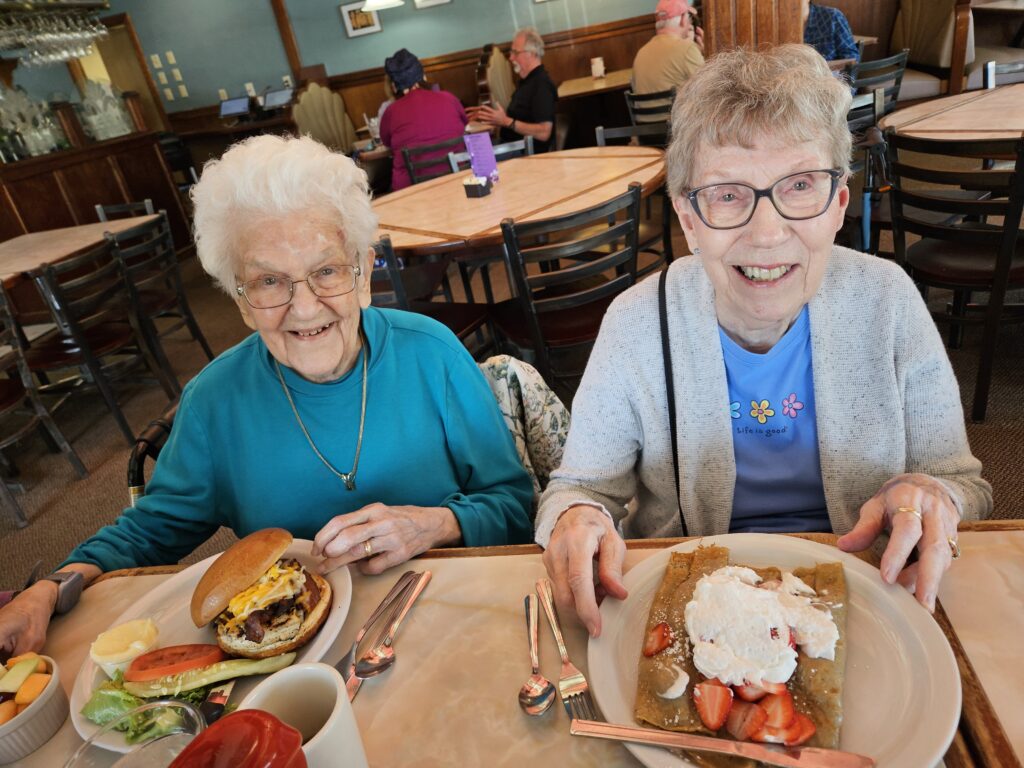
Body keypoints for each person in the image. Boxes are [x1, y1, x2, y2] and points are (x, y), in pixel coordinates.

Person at [0, 134, 534, 656]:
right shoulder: (214, 402)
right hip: (299, 654)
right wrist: (51, 587)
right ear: (240, 301)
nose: (304, 308)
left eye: (325, 271)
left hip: (451, 622)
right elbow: (149, 531)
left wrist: (435, 524)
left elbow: (512, 504)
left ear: (364, 273)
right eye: (269, 282)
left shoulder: (431, 354)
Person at [536, 45, 992, 637]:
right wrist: (577, 517)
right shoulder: (636, 322)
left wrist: (933, 495)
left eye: (800, 184)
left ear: (839, 203)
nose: (768, 233)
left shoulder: (887, 301)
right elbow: (578, 488)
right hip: (694, 610)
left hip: (873, 599)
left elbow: (964, 484)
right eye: (727, 194)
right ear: (688, 218)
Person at [378, 48, 467, 190]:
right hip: (460, 180)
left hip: (412, 192)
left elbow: (386, 143)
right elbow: (464, 124)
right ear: (423, 77)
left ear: (394, 86)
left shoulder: (391, 112)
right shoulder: (448, 98)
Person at [471, 27, 558, 153]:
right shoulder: (527, 81)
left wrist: (506, 121)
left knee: (476, 161)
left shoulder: (542, 84)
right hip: (511, 147)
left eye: (515, 53)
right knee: (474, 150)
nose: (511, 58)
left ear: (532, 54)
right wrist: (492, 118)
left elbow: (544, 132)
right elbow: (516, 120)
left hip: (526, 154)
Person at [632, 0, 705, 103]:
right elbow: (708, 89)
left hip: (641, 119)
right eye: (688, 17)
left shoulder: (640, 53)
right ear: (683, 19)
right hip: (676, 118)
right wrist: (703, 53)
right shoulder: (687, 49)